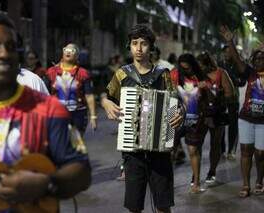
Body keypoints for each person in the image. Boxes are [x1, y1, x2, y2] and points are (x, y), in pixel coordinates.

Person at [0, 13, 91, 212]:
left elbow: (82, 172)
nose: (4, 54)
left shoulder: (50, 109)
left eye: (11, 47)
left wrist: (47, 183)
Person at [101, 24, 183, 213]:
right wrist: (106, 104)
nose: (139, 48)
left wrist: (180, 113)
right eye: (134, 43)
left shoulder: (163, 75)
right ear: (129, 46)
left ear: (151, 47)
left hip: (160, 151)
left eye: (144, 44)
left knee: (163, 205)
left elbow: (176, 103)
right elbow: (106, 96)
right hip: (132, 152)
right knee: (134, 205)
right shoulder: (122, 74)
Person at [220, 25, 264, 197]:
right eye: (258, 58)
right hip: (246, 118)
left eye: (263, 57)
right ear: (254, 61)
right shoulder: (250, 73)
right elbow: (237, 60)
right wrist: (229, 41)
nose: (260, 60)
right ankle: (246, 185)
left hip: (263, 122)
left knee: (260, 154)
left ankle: (259, 180)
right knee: (246, 151)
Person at [170, 53, 208, 193]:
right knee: (169, 151)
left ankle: (196, 184)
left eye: (189, 68)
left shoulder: (201, 76)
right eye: (183, 68)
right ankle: (166, 183)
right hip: (175, 118)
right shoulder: (174, 74)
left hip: (195, 119)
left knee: (193, 150)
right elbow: (167, 93)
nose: (187, 71)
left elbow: (209, 96)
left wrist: (204, 89)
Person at [196, 51, 235, 185]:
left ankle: (212, 171)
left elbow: (231, 94)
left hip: (216, 114)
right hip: (199, 114)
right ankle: (196, 176)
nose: (200, 69)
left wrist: (213, 90)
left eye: (202, 66)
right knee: (195, 145)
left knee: (215, 144)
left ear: (208, 64)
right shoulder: (196, 75)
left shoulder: (220, 73)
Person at [46, 43, 97, 135]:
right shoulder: (51, 72)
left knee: (76, 143)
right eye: (66, 49)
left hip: (77, 114)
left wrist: (93, 116)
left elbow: (89, 95)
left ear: (77, 56)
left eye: (72, 50)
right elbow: (45, 94)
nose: (68, 52)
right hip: (57, 114)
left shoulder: (83, 73)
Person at [218, 45, 245, 160]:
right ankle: (222, 150)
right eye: (226, 52)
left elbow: (242, 82)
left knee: (233, 125)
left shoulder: (238, 65)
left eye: (230, 52)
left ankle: (231, 151)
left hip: (233, 99)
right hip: (220, 99)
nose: (228, 54)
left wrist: (232, 78)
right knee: (221, 124)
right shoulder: (219, 64)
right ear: (223, 53)